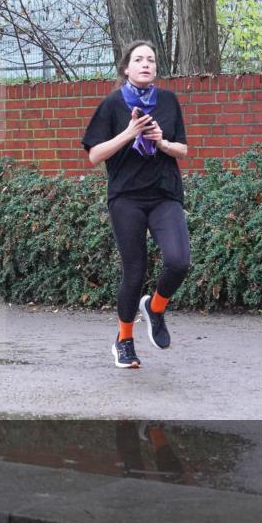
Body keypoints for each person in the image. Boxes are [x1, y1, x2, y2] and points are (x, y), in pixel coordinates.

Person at [82, 41, 191, 369]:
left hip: (164, 194)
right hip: (126, 197)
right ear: (126, 68)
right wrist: (129, 133)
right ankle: (124, 340)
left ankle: (155, 308)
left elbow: (183, 150)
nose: (146, 64)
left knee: (179, 261)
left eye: (151, 60)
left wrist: (161, 141)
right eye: (139, 59)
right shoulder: (112, 104)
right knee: (134, 270)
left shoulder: (168, 101)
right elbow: (94, 155)